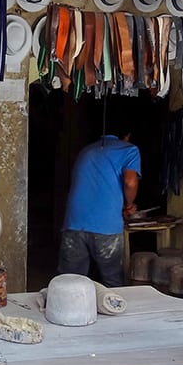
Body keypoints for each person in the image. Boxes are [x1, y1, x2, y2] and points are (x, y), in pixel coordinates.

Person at [58, 123, 141, 287]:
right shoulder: (129, 149)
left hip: (74, 223)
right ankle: (112, 310)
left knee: (69, 282)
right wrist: (129, 205)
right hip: (106, 225)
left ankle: (70, 311)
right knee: (113, 282)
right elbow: (130, 182)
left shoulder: (86, 150)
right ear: (127, 136)